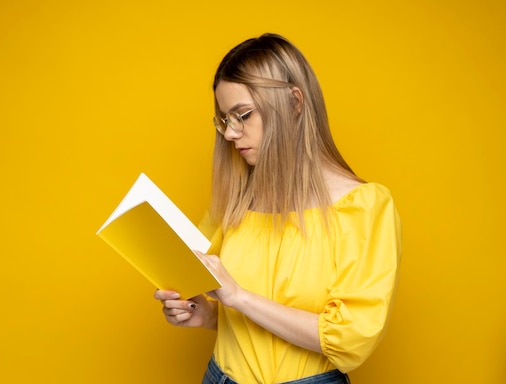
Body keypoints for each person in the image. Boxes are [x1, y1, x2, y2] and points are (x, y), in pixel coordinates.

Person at [154, 33, 401, 384]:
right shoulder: (236, 197)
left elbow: (350, 338)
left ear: (294, 103)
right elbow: (225, 304)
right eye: (225, 120)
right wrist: (202, 312)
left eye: (243, 115)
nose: (229, 134)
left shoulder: (363, 207)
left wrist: (238, 297)